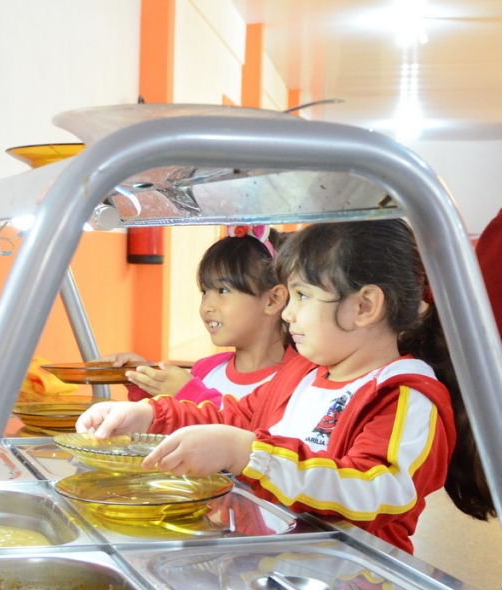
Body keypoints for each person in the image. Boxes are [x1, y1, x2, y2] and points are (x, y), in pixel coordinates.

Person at [78, 218, 494, 554]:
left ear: (364, 306)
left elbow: (378, 490)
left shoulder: (403, 394)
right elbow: (230, 414)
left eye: (302, 296)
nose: (288, 314)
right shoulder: (301, 373)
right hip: (286, 565)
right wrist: (149, 414)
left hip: (358, 588)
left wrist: (247, 453)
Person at [97, 225, 293, 406]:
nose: (206, 307)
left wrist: (189, 392)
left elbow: (252, 435)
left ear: (273, 300)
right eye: (205, 292)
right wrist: (144, 378)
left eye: (223, 291)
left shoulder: (298, 380)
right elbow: (173, 420)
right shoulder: (207, 369)